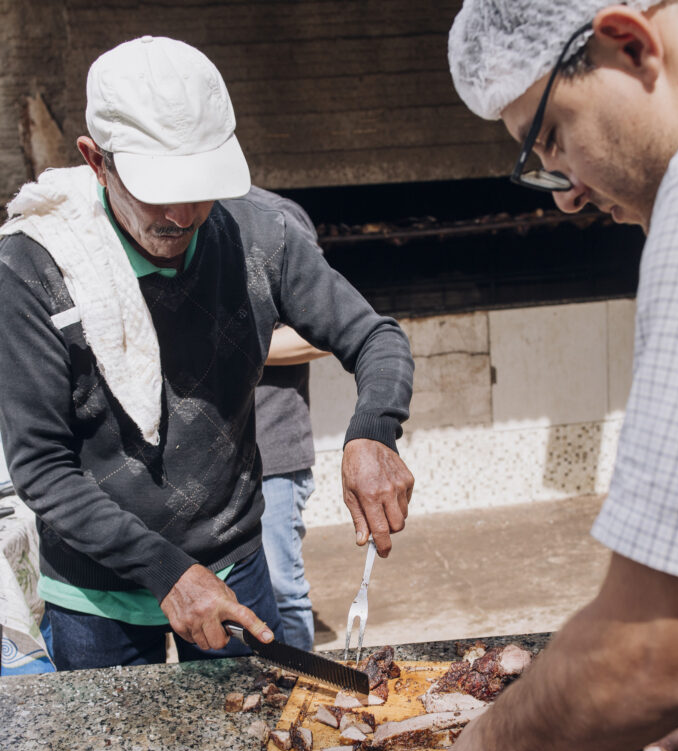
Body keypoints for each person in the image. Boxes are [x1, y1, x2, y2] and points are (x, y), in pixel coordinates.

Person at [0, 36, 414, 671]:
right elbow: (41, 468)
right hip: (94, 593)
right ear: (95, 160)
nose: (180, 212)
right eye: (154, 188)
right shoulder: (34, 268)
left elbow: (375, 337)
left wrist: (374, 431)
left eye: (198, 186)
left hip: (234, 564)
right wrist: (167, 571)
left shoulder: (261, 231)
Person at [443, 0, 678, 751]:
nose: (563, 196)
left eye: (552, 138)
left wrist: (496, 747)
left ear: (628, 42)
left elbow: (648, 657)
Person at [259, 320, 329, 651]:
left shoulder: (275, 268)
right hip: (212, 464)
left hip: (274, 455)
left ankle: (301, 687)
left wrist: (229, 342)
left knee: (282, 587)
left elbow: (323, 333)